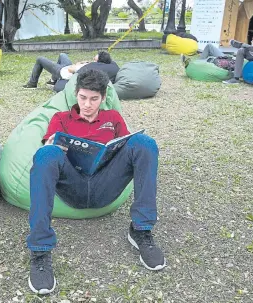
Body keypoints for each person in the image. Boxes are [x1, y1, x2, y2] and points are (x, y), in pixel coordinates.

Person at [26, 69, 166, 295]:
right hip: (74, 186)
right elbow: (49, 149)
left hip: (105, 184)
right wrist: (53, 145)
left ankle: (141, 230)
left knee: (144, 143)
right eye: (83, 98)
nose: (88, 104)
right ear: (75, 94)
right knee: (45, 155)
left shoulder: (113, 118)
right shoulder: (61, 118)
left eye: (94, 99)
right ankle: (40, 249)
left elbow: (128, 148)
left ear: (103, 98)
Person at [22, 53, 90, 89]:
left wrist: (77, 64)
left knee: (40, 59)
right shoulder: (96, 65)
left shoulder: (88, 68)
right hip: (67, 67)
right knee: (62, 55)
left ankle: (32, 83)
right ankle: (53, 81)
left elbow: (71, 69)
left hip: (63, 71)